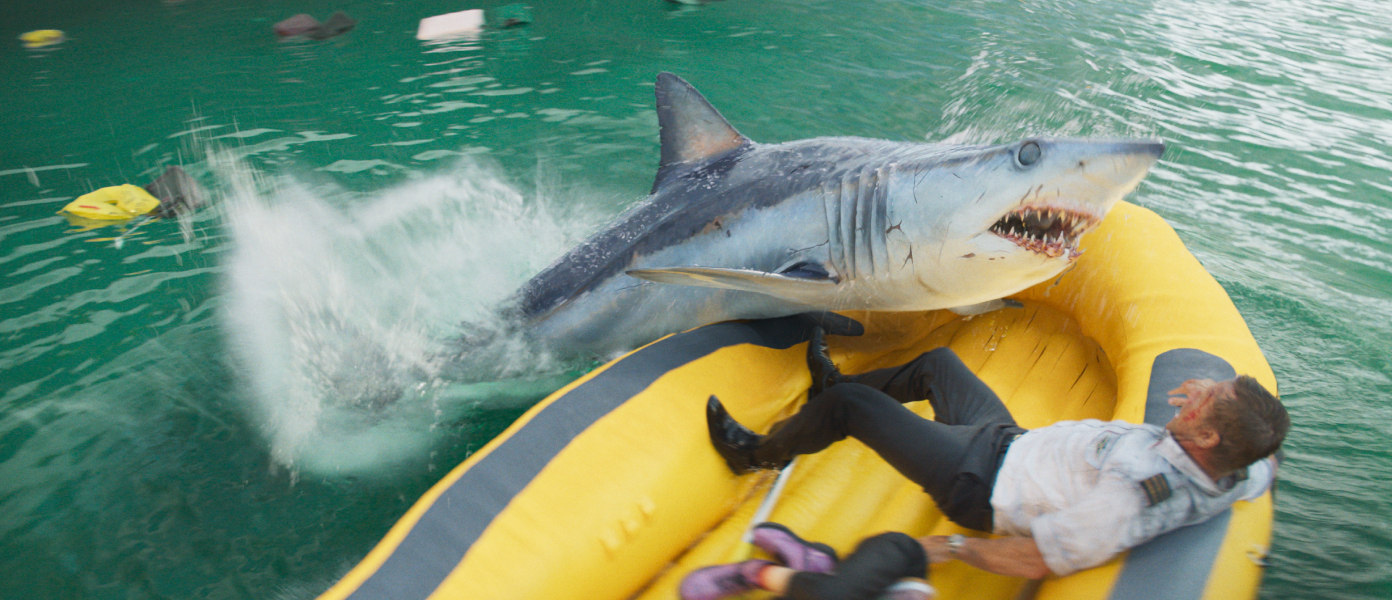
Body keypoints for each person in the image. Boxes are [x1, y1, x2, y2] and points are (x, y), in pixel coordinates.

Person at [680, 327, 1288, 599]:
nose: (1195, 390)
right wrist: (1215, 403)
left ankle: (751, 455)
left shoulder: (1134, 493)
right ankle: (828, 391)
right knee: (938, 365)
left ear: (1206, 436)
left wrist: (950, 549)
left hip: (980, 479)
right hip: (1012, 442)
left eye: (1206, 399)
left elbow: (1042, 556)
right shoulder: (1241, 468)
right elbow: (1265, 457)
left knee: (851, 410)